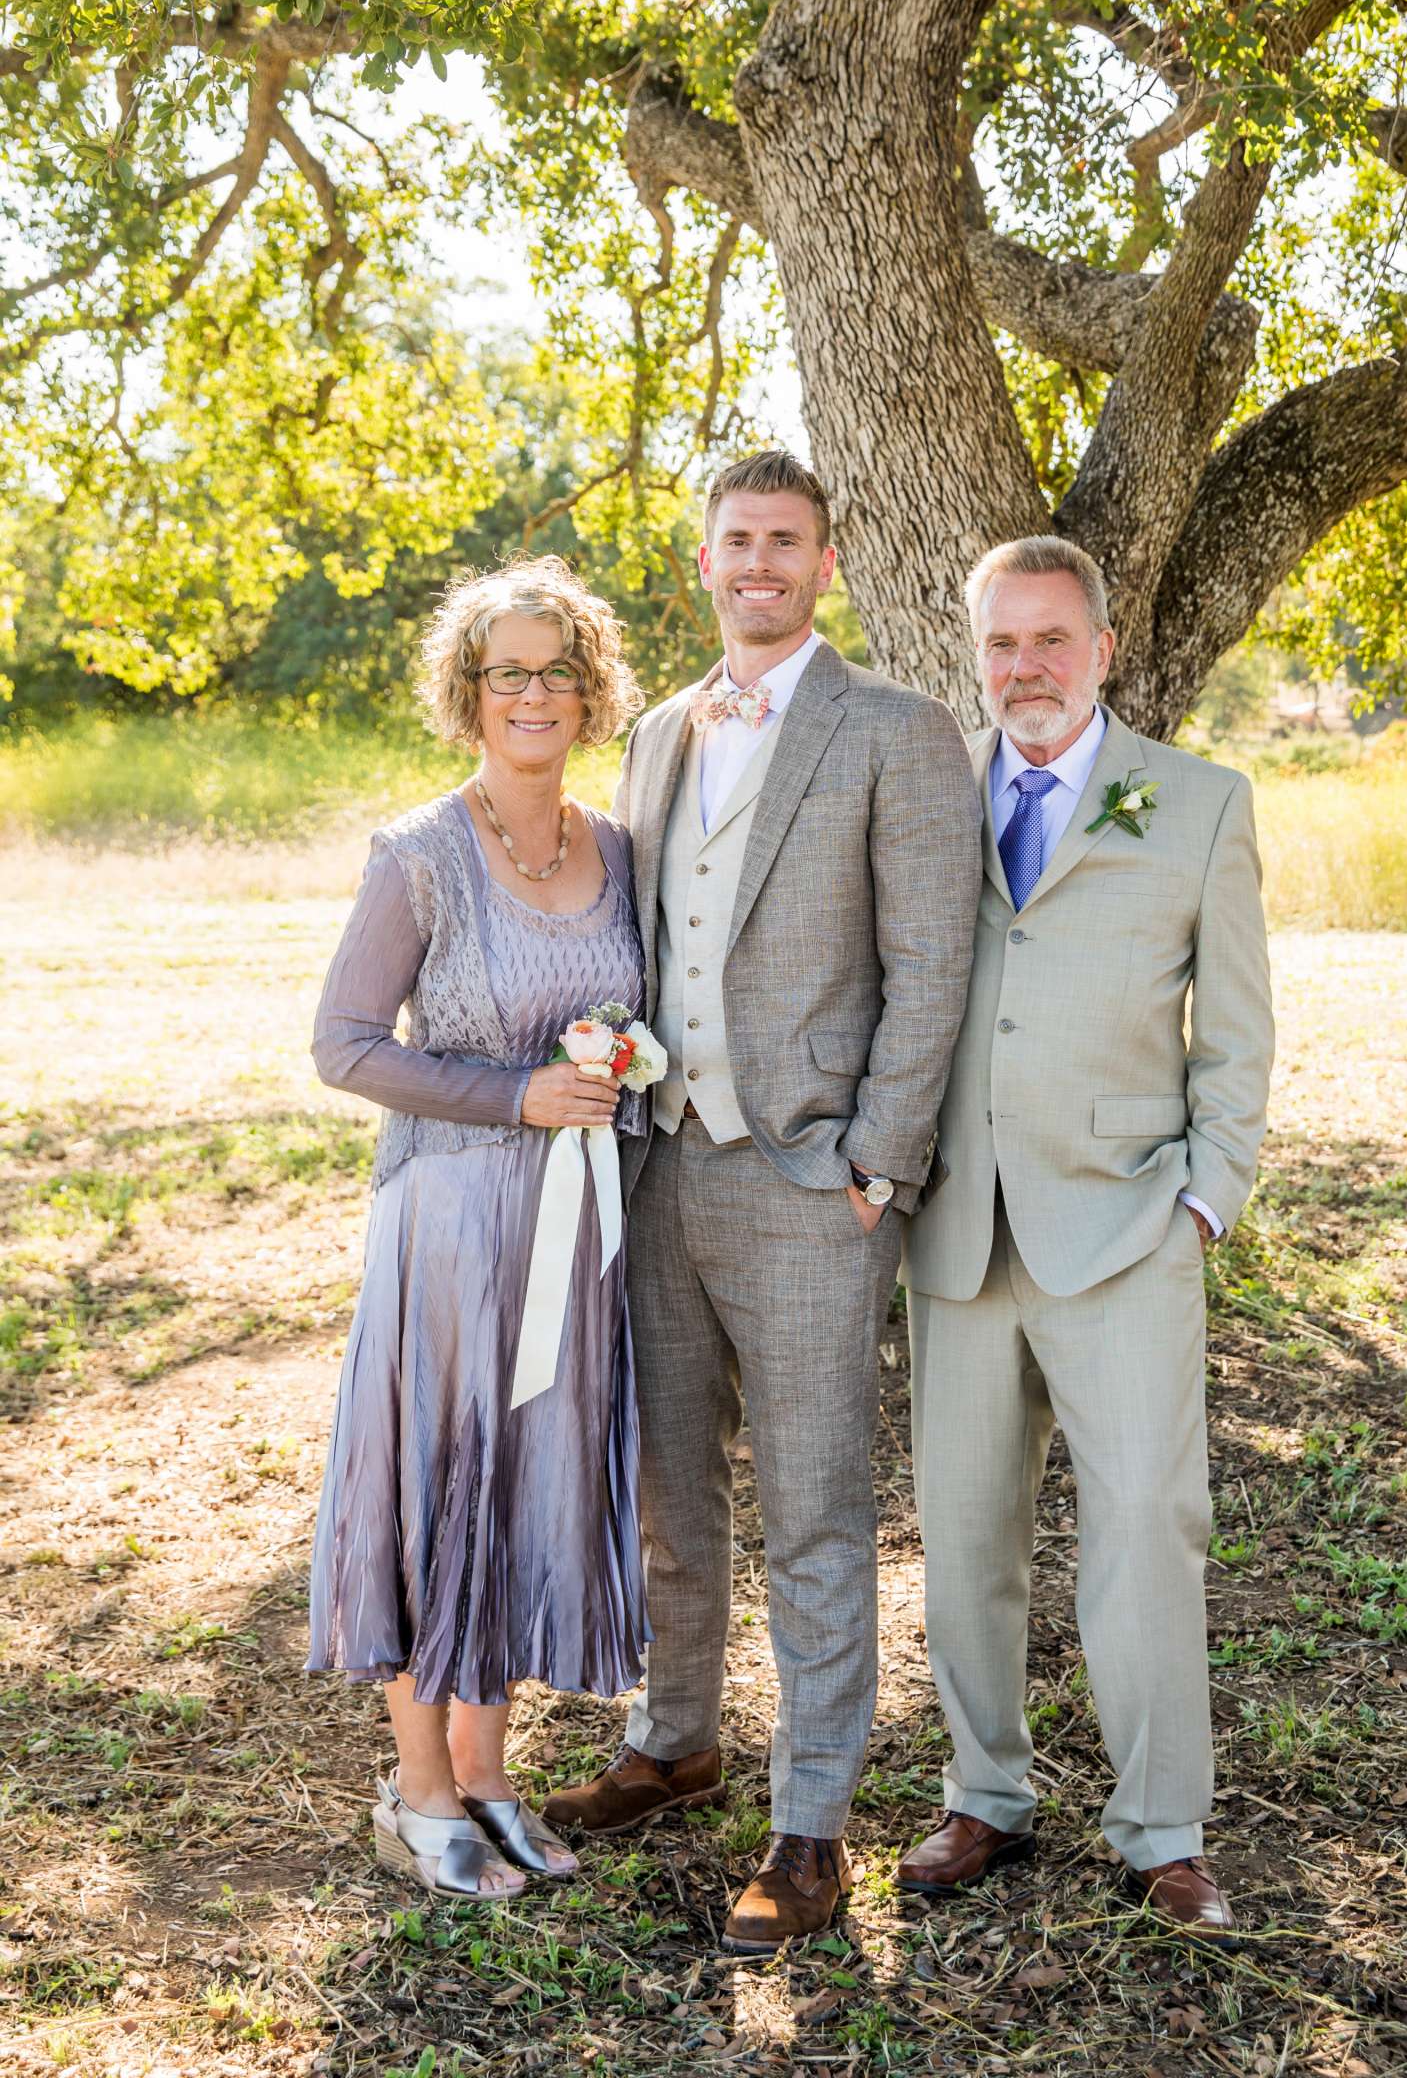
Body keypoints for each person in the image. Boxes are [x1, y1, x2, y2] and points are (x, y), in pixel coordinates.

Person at [542, 449, 982, 1956]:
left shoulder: (896, 731)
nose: (759, 562)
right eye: (737, 538)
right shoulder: (661, 732)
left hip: (809, 1182)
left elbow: (935, 966)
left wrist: (880, 1161)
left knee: (814, 1511)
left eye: (786, 541)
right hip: (661, 1166)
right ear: (707, 556)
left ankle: (811, 1824)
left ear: (826, 562)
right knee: (673, 1493)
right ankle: (675, 1742)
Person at [898, 534, 1274, 1935]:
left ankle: (1162, 1827)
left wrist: (1202, 1197)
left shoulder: (1196, 804)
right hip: (959, 1230)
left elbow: (1236, 1035)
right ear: (976, 653)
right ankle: (983, 1795)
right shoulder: (934, 796)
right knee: (962, 1535)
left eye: (1052, 640)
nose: (1026, 669)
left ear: (1103, 649)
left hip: (1124, 1227)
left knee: (1145, 1530)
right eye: (1003, 644)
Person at [306, 556, 650, 1900]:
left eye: (558, 671)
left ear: (590, 690)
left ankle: (493, 1772)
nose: (534, 694)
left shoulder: (613, 846)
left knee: (528, 1482)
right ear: (468, 691)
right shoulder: (418, 856)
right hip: (448, 1228)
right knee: (439, 1484)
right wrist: (515, 1096)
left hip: (575, 1240)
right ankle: (420, 1787)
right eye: (507, 671)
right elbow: (342, 1046)